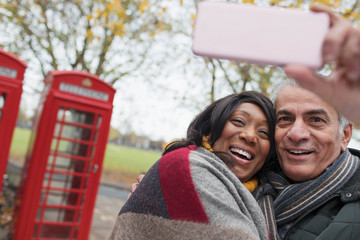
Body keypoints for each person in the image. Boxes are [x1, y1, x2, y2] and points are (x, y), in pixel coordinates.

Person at [107, 91, 277, 240]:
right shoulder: (184, 166)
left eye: (263, 132)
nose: (249, 136)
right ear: (210, 129)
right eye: (239, 121)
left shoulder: (271, 198)